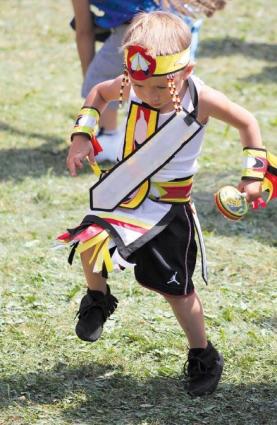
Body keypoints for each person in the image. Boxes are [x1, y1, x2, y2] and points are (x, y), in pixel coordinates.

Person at [60, 11, 265, 397]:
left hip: (170, 211)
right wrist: (81, 136)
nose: (150, 95)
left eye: (160, 87)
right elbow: (98, 94)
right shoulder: (132, 84)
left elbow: (247, 123)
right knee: (89, 240)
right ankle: (98, 298)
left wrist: (253, 176)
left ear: (188, 69)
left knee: (177, 292)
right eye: (143, 86)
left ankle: (202, 353)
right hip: (124, 197)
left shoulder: (201, 99)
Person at [70, 0, 227, 162]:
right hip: (180, 26)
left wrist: (91, 77)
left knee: (102, 76)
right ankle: (165, 136)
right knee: (171, 89)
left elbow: (84, 32)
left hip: (139, 28)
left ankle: (109, 136)